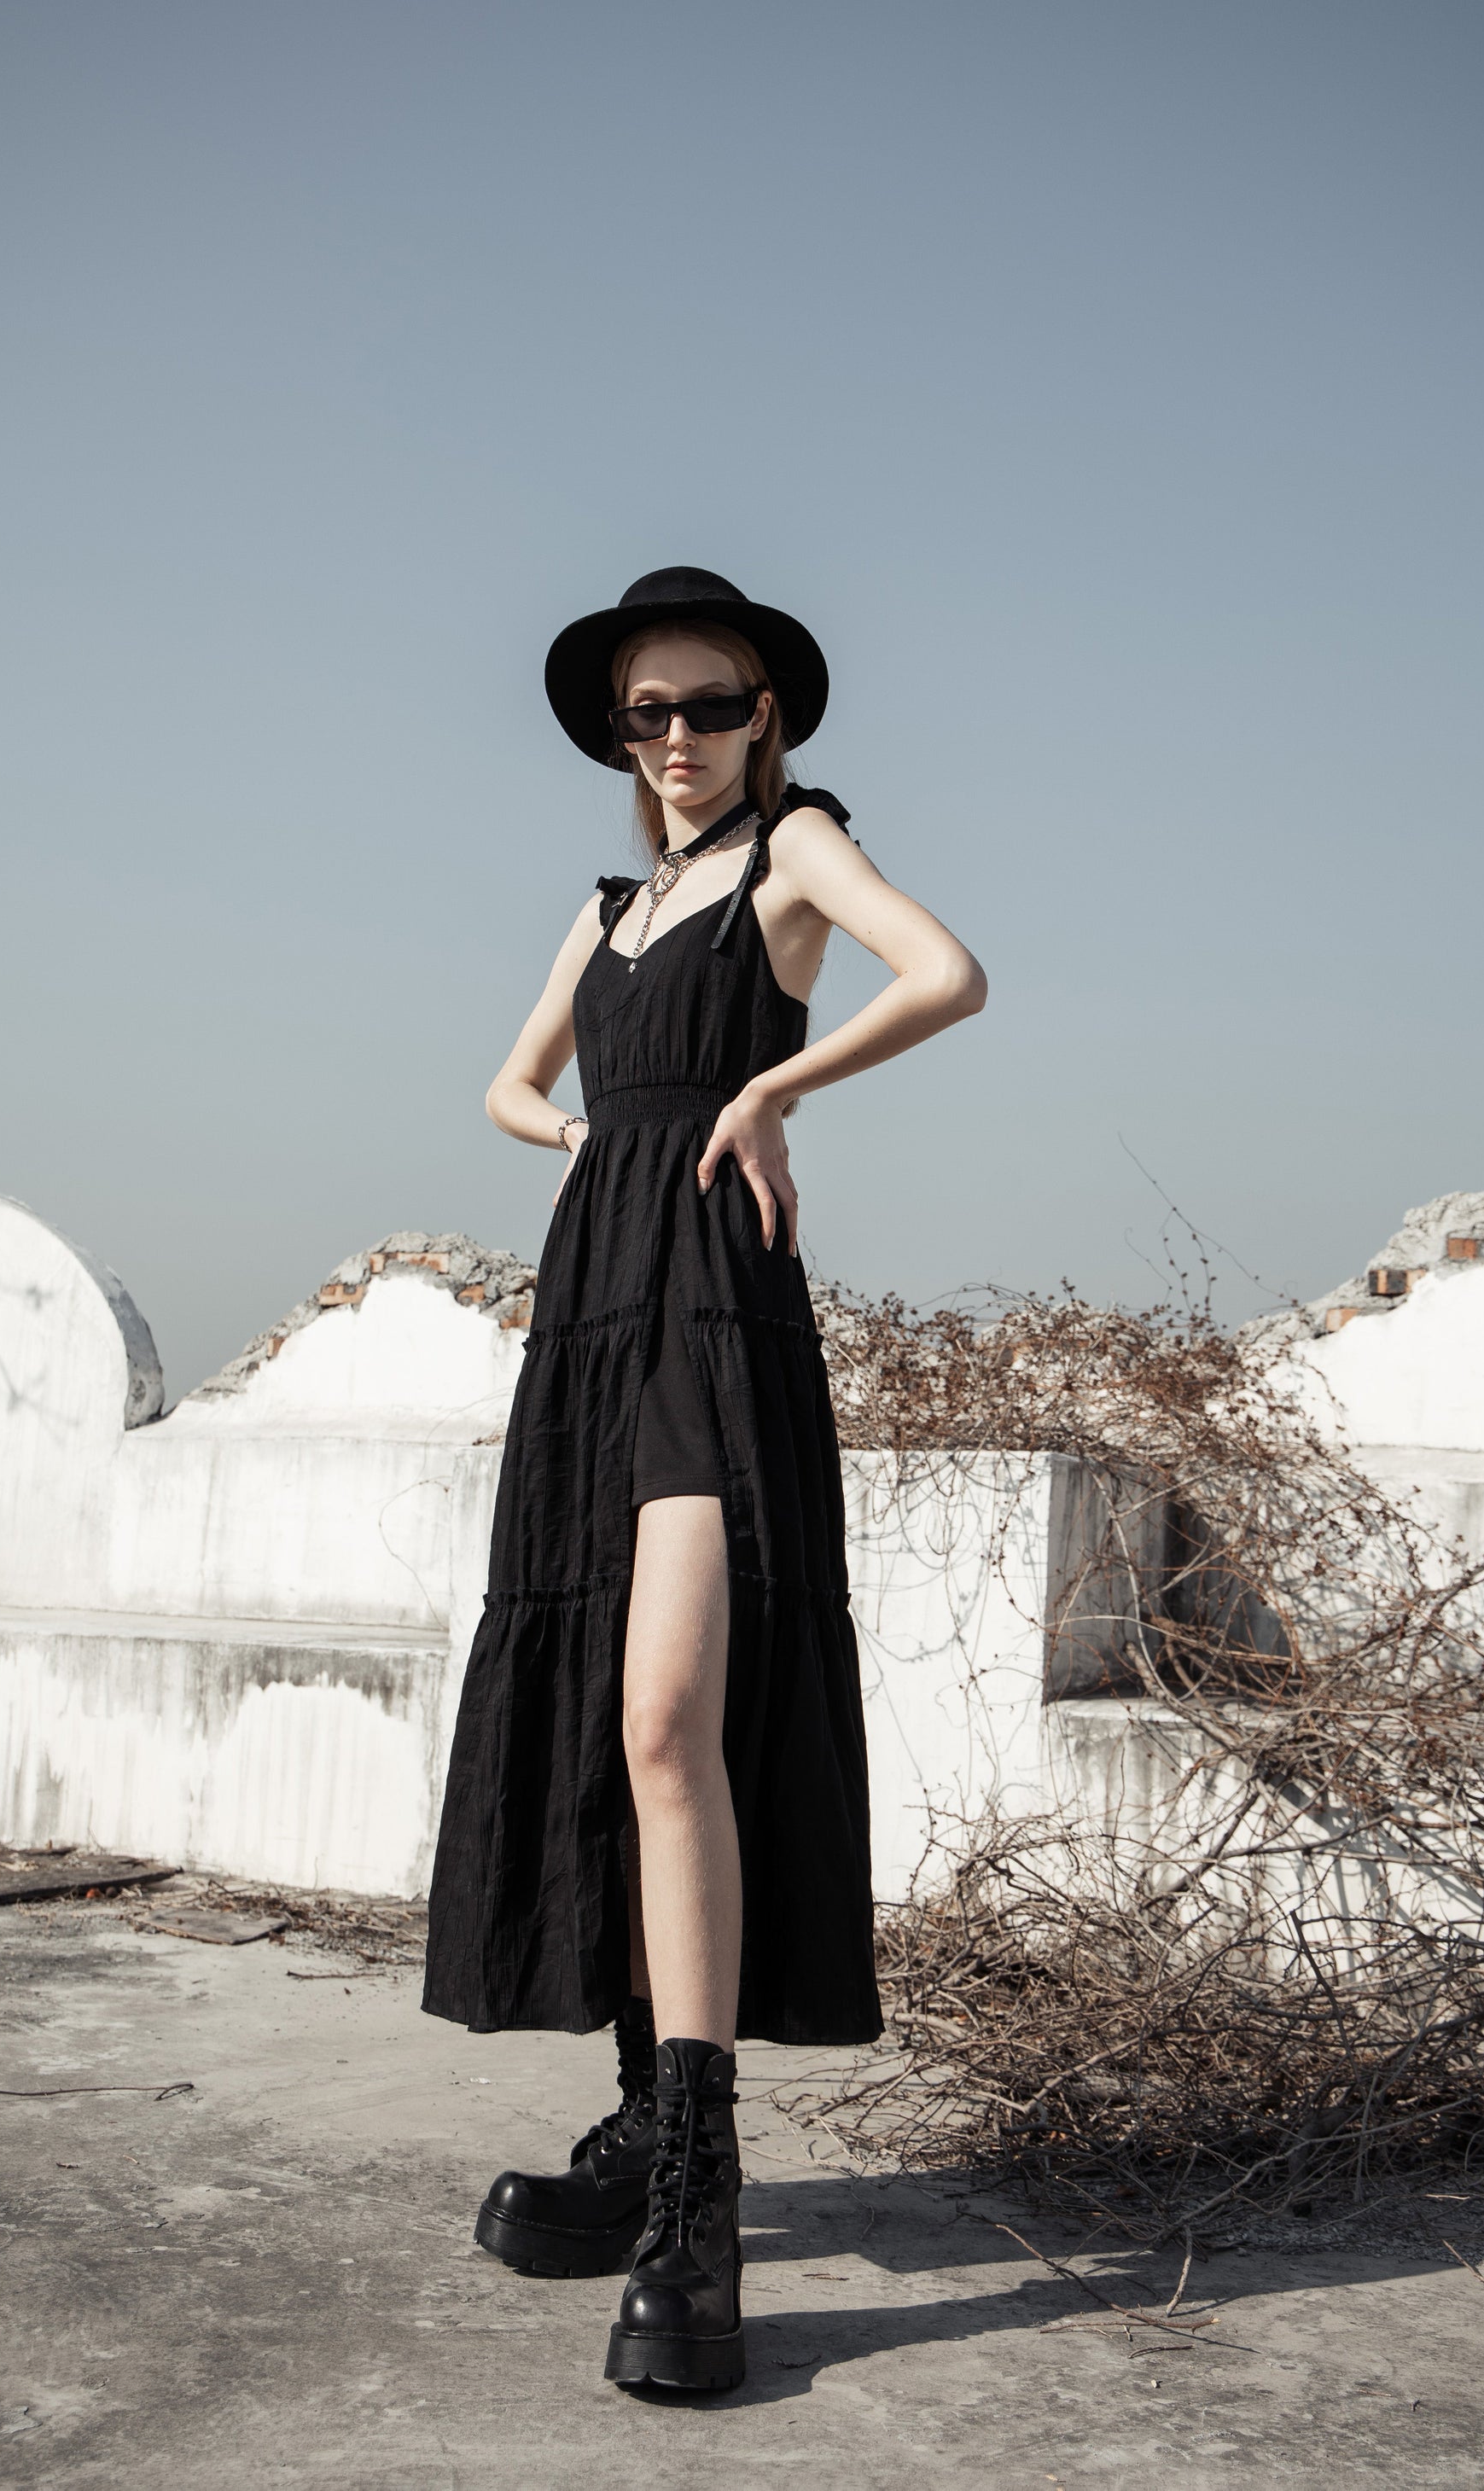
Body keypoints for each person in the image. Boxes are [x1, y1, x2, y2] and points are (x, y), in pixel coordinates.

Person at [423, 566, 986, 2393]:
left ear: (770, 717)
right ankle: (637, 2132)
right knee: (602, 1717)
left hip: (711, 1308)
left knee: (672, 1718)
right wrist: (589, 1137)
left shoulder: (789, 851)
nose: (677, 737)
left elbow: (949, 974)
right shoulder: (608, 910)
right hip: (591, 1304)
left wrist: (769, 1094)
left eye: (711, 705)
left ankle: (699, 2196)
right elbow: (507, 1087)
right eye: (645, 714)